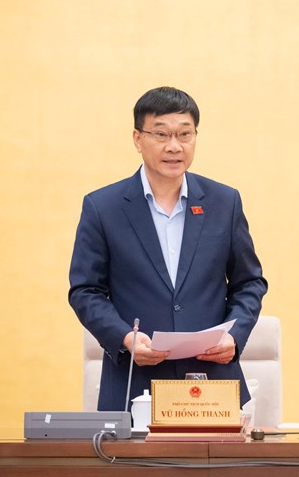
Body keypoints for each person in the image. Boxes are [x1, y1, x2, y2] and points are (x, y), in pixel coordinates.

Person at [68, 86, 267, 412]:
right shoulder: (103, 207)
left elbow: (249, 283)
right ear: (137, 139)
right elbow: (85, 290)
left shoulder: (224, 202)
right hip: (135, 385)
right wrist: (125, 338)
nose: (174, 146)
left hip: (211, 384)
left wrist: (234, 336)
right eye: (161, 134)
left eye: (184, 134)